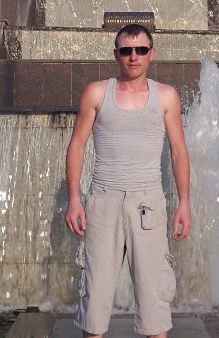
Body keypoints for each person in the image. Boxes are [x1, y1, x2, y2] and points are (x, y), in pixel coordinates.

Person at [65, 23, 191, 338]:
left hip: (149, 203)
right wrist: (74, 199)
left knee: (154, 306)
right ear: (116, 54)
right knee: (94, 306)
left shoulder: (166, 96)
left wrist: (184, 203)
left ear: (151, 54)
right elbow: (77, 146)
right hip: (103, 201)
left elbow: (178, 151)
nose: (133, 56)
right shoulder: (96, 92)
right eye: (126, 50)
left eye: (141, 50)